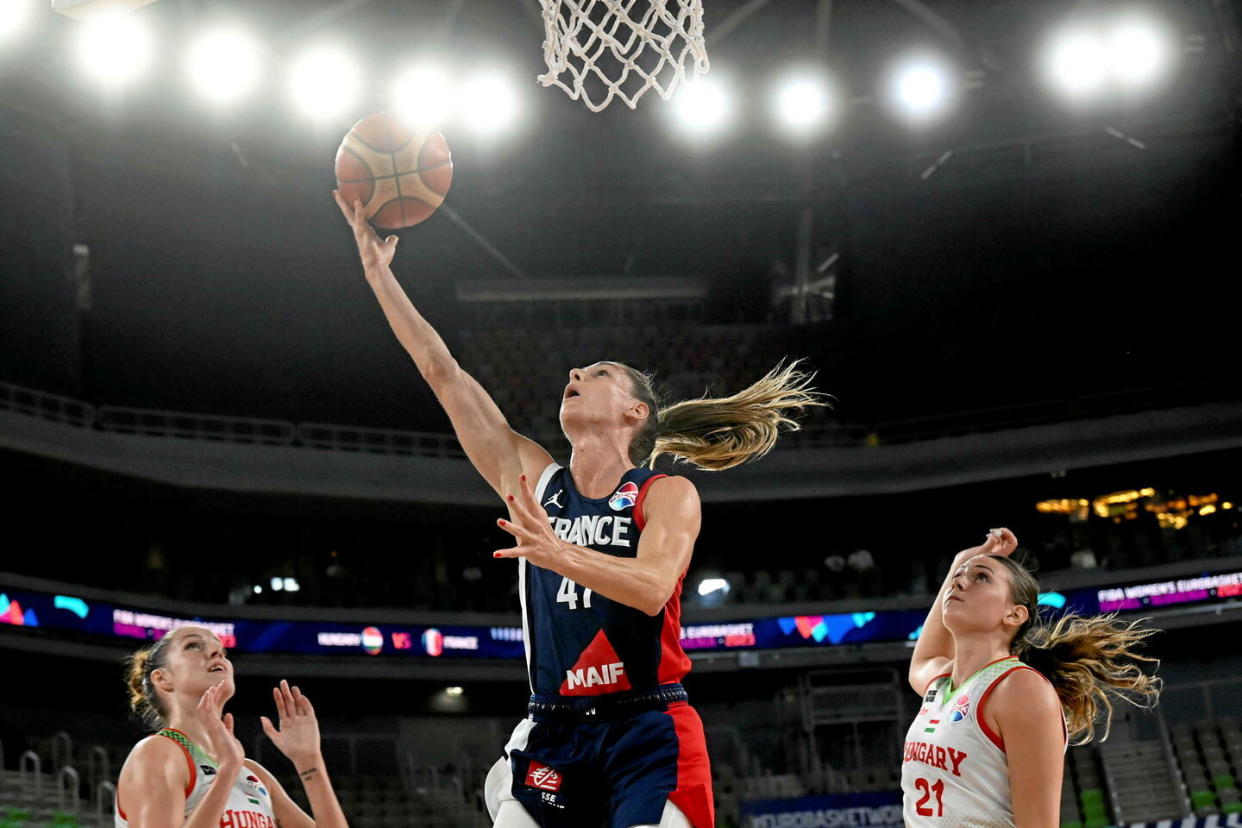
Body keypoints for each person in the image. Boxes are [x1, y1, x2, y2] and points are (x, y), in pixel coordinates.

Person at [333, 192, 825, 828]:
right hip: (554, 731)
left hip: (647, 723)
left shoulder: (665, 493)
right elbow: (441, 371)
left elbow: (651, 589)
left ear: (634, 413)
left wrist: (559, 552)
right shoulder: (534, 481)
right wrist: (380, 275)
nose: (574, 370)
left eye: (597, 372)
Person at [905, 529, 1162, 827]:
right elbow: (922, 660)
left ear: (1014, 615)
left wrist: (966, 565)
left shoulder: (1018, 687)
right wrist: (961, 561)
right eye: (958, 578)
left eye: (982, 577)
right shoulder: (941, 685)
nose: (959, 582)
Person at [115, 625, 350, 828]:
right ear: (162, 679)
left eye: (222, 650)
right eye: (193, 646)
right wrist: (226, 772)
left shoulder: (252, 772)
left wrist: (309, 761)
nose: (217, 652)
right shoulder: (157, 752)